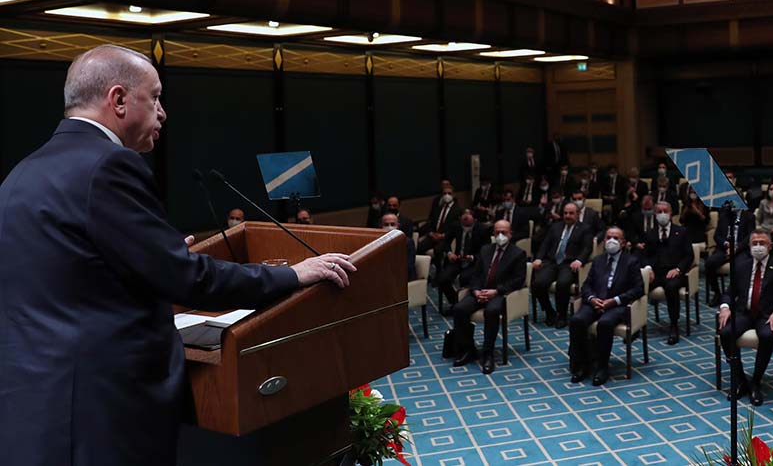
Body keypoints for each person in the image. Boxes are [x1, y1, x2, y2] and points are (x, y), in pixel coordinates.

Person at [0, 44, 355, 466]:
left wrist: (153, 260)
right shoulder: (110, 165)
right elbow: (190, 280)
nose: (163, 112)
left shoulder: (22, 173)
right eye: (155, 97)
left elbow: (66, 278)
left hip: (35, 405)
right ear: (118, 99)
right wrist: (292, 275)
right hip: (102, 410)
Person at [717, 230, 773, 406]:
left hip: (766, 314)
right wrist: (725, 307)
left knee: (767, 335)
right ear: (749, 246)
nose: (758, 247)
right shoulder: (741, 265)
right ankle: (741, 380)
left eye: (762, 243)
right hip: (744, 313)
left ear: (770, 246)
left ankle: (756, 382)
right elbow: (729, 292)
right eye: (755, 243)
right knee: (726, 332)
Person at [568, 227, 644, 386]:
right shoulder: (598, 260)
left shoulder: (631, 261)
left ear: (623, 242)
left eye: (616, 238)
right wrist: (592, 299)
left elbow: (638, 289)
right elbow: (586, 285)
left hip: (617, 305)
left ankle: (602, 367)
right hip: (595, 302)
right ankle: (581, 364)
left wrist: (614, 301)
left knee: (605, 323)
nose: (611, 241)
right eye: (608, 237)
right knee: (576, 320)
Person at [450, 219, 527, 375]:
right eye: (497, 232)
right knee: (459, 309)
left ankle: (488, 353)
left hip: (500, 294)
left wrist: (495, 291)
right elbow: (476, 274)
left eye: (504, 232)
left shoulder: (518, 254)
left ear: (510, 234)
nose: (500, 235)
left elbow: (518, 280)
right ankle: (468, 349)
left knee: (491, 312)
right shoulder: (485, 250)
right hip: (480, 292)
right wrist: (476, 290)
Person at [532, 202, 592, 328]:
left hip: (569, 264)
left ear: (578, 214)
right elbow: (545, 244)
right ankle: (549, 311)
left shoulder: (585, 229)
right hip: (552, 262)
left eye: (571, 213)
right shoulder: (556, 226)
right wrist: (538, 258)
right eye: (565, 213)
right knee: (537, 283)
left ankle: (562, 315)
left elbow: (587, 248)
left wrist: (580, 260)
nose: (567, 216)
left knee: (563, 284)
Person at [643, 202, 692, 344]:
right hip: (656, 272)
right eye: (659, 211)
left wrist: (678, 269)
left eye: (665, 211)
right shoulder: (650, 233)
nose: (662, 214)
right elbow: (645, 255)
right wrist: (648, 268)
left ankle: (674, 325)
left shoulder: (681, 231)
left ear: (671, 214)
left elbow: (689, 255)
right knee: (638, 285)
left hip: (675, 272)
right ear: (655, 214)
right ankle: (634, 324)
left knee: (671, 287)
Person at [705, 204, 754, 306]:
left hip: (740, 249)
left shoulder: (749, 216)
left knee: (740, 266)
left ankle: (735, 294)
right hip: (724, 249)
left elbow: (750, 236)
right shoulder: (724, 215)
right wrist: (725, 244)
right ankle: (717, 293)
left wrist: (736, 248)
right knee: (709, 263)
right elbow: (717, 236)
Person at [436, 210, 486, 309]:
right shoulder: (456, 226)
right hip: (457, 260)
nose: (465, 217)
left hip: (474, 262)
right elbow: (445, 242)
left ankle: (465, 305)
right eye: (464, 215)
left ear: (475, 220)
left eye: (469, 215)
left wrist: (473, 257)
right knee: (443, 279)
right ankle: (455, 302)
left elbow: (486, 250)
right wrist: (449, 253)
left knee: (464, 278)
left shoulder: (482, 229)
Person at [418, 185, 461, 262]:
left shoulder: (458, 210)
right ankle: (427, 266)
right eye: (445, 193)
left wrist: (443, 235)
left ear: (454, 195)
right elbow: (430, 222)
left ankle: (438, 268)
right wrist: (431, 233)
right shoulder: (438, 208)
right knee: (419, 247)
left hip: (446, 237)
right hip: (433, 236)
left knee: (438, 250)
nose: (447, 195)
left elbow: (456, 227)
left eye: (449, 193)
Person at [381, 212, 417, 279]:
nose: (389, 227)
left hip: (404, 277)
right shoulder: (378, 243)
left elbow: (409, 266)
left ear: (398, 225)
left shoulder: (407, 242)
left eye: (392, 224)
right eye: (386, 224)